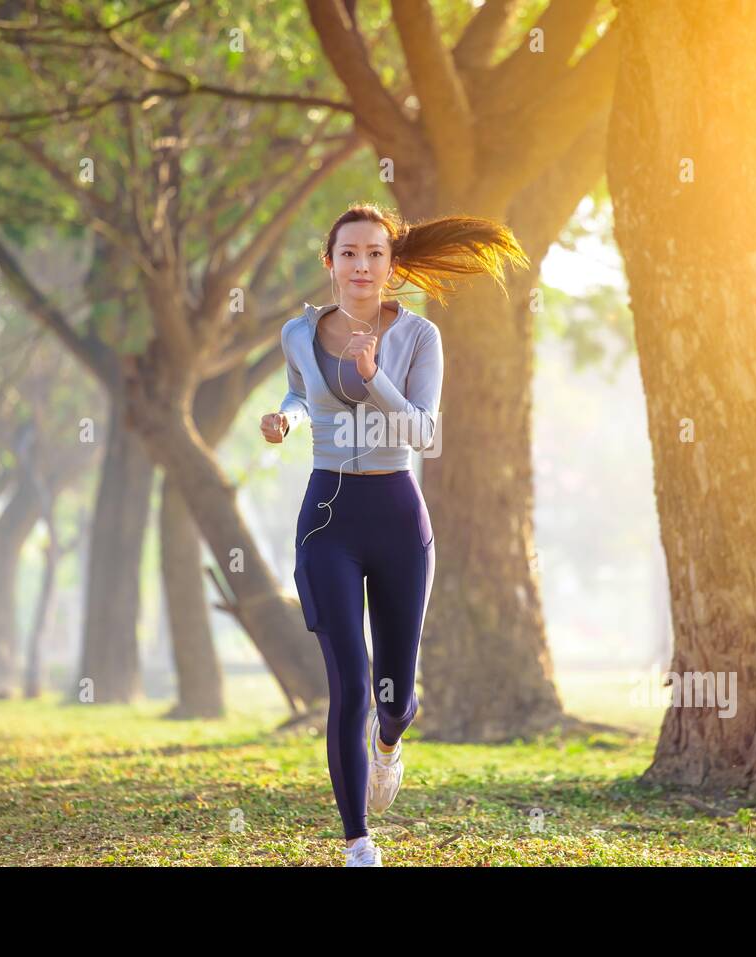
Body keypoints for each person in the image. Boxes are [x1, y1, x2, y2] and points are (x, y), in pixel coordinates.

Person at [259, 203, 528, 866]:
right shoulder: (297, 332)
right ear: (330, 262)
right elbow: (301, 391)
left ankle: (389, 741)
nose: (361, 265)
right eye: (348, 252)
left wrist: (376, 378)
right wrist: (286, 419)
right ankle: (358, 841)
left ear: (392, 264)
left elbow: (425, 433)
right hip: (327, 516)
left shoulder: (419, 338)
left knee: (393, 693)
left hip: (398, 518)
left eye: (374, 253)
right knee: (348, 681)